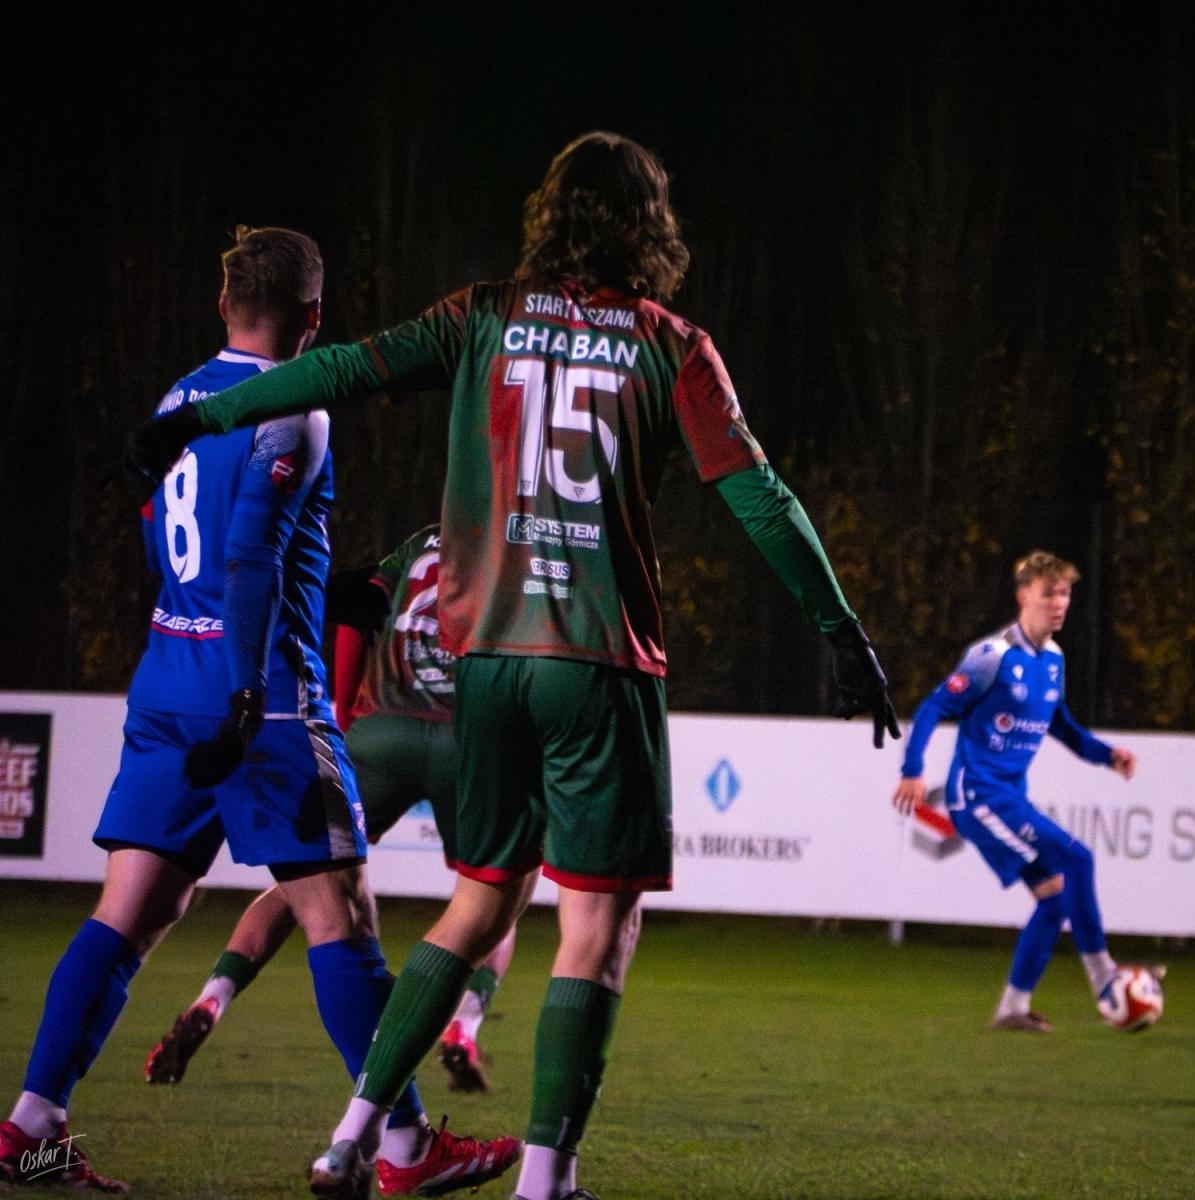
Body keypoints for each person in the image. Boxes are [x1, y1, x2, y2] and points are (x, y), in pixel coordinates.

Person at [121, 132, 900, 1200]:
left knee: (480, 898)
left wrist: (198, 417)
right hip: (596, 664)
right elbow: (760, 498)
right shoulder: (672, 344)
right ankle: (544, 1179)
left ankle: (351, 1137)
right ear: (648, 225)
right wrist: (841, 629)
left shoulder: (481, 315)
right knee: (598, 922)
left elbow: (344, 368)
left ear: (549, 216)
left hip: (484, 663)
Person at [0, 227, 518, 1196]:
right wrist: (249, 687)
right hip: (263, 698)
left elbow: (175, 541)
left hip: (166, 675)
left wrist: (298, 607)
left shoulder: (173, 399)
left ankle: (32, 1123)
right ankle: (403, 1150)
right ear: (316, 316)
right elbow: (248, 558)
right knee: (341, 915)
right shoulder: (299, 408)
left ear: (221, 305)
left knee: (134, 906)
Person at [144, 522, 520, 1094]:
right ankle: (462, 1026)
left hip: (382, 733)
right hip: (463, 740)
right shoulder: (516, 542)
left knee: (305, 886)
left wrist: (343, 721)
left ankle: (213, 996)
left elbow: (351, 607)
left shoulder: (416, 542)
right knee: (494, 895)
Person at [892, 550, 1147, 1033]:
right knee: (1079, 859)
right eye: (1049, 593)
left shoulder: (1053, 660)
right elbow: (932, 705)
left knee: (1054, 900)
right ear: (1023, 597)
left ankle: (1012, 1008)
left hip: (1010, 797)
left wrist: (1108, 755)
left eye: (1066, 594)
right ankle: (1105, 979)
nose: (1059, 603)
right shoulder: (992, 657)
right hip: (978, 797)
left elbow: (1064, 728)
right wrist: (913, 768)